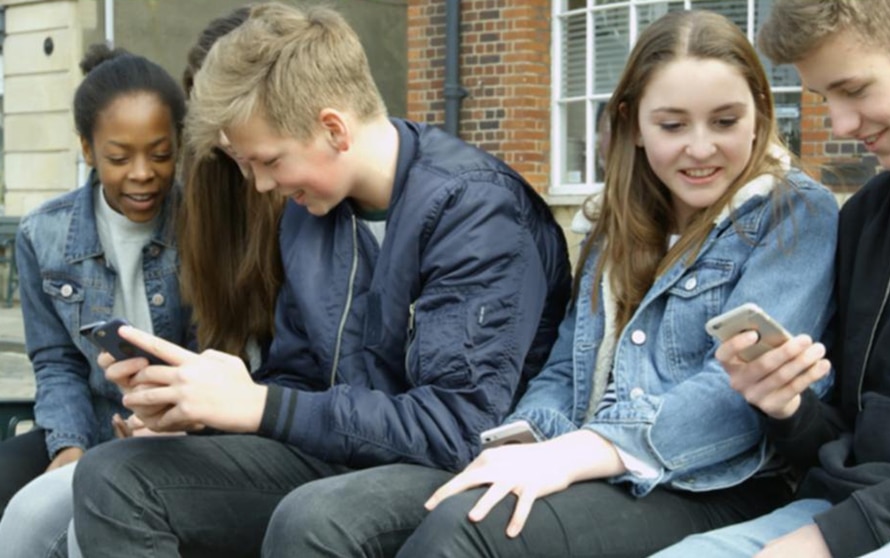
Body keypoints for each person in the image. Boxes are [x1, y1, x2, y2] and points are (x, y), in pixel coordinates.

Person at [70, 3, 572, 557]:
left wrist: (260, 405)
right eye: (245, 165)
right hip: (343, 455)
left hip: (461, 470)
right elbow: (301, 378)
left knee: (315, 518)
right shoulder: (309, 216)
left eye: (268, 161)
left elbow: (456, 427)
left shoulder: (476, 211)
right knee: (114, 475)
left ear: (333, 128)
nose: (260, 185)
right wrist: (200, 413)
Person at [367, 9, 834, 557]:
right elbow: (566, 369)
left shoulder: (795, 213)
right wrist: (524, 441)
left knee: (466, 530)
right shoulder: (616, 224)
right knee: (375, 515)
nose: (701, 147)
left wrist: (573, 455)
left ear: (759, 114)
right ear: (633, 126)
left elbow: (730, 393)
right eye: (673, 125)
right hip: (597, 466)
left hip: (716, 482)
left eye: (725, 121)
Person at [654, 1, 890, 557]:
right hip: (839, 513)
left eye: (854, 90)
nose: (840, 125)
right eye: (823, 98)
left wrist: (835, 538)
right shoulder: (866, 216)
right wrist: (788, 408)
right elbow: (840, 444)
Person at [0, 44, 189, 556]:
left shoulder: (203, 223)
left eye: (161, 154)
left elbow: (219, 348)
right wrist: (69, 445)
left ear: (179, 144)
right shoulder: (43, 235)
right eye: (119, 158)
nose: (142, 173)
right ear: (88, 149)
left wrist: (168, 422)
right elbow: (56, 361)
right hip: (91, 420)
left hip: (185, 431)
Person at [178, 6, 285, 368]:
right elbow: (212, 328)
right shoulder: (207, 178)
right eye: (210, 114)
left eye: (232, 109)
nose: (225, 138)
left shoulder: (311, 194)